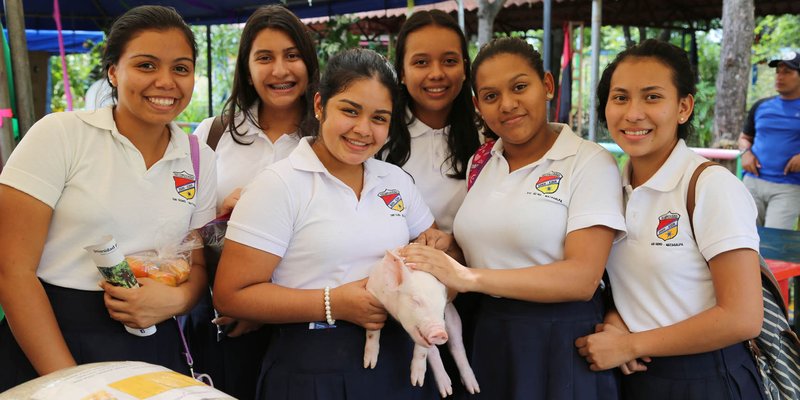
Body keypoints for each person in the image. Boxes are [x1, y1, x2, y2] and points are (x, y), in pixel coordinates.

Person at [0, 5, 216, 391]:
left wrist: (177, 301)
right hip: (51, 338)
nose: (166, 81)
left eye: (181, 68)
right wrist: (72, 385)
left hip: (154, 343)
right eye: (146, 65)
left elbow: (197, 264)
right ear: (114, 72)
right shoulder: (61, 134)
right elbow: (11, 271)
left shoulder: (199, 159)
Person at [400, 37, 626, 400]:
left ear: (547, 85)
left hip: (560, 339)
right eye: (490, 96)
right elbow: (485, 246)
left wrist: (466, 276)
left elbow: (583, 278)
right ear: (477, 105)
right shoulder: (481, 161)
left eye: (520, 87)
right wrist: (449, 249)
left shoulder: (587, 161)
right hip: (487, 332)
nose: (507, 105)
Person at [213, 48, 440, 400]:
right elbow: (232, 295)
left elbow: (433, 243)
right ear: (320, 106)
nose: (363, 130)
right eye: (350, 111)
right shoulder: (279, 184)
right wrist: (334, 302)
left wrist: (439, 255)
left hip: (398, 361)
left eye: (379, 118)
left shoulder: (395, 180)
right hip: (312, 365)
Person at [574, 39, 764, 400]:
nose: (633, 113)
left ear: (684, 107)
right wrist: (617, 317)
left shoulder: (710, 186)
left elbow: (742, 317)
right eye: (620, 98)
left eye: (652, 97)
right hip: (638, 377)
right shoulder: (610, 186)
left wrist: (632, 344)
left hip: (707, 378)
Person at [187, 5, 319, 398]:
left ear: (310, 65)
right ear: (246, 68)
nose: (280, 70)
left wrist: (262, 308)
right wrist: (219, 210)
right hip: (221, 323)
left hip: (308, 328)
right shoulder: (213, 134)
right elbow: (181, 223)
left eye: (292, 56)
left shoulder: (332, 139)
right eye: (264, 57)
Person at [381, 9, 480, 233]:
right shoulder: (377, 137)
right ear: (402, 72)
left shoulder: (489, 138)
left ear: (464, 68)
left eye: (449, 60)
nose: (436, 73)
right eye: (421, 62)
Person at [738, 50, 800, 230]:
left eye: (787, 72)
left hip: (788, 188)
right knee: (744, 238)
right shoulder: (761, 106)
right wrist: (745, 153)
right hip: (752, 183)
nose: (780, 76)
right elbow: (744, 138)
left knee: (775, 245)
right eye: (778, 71)